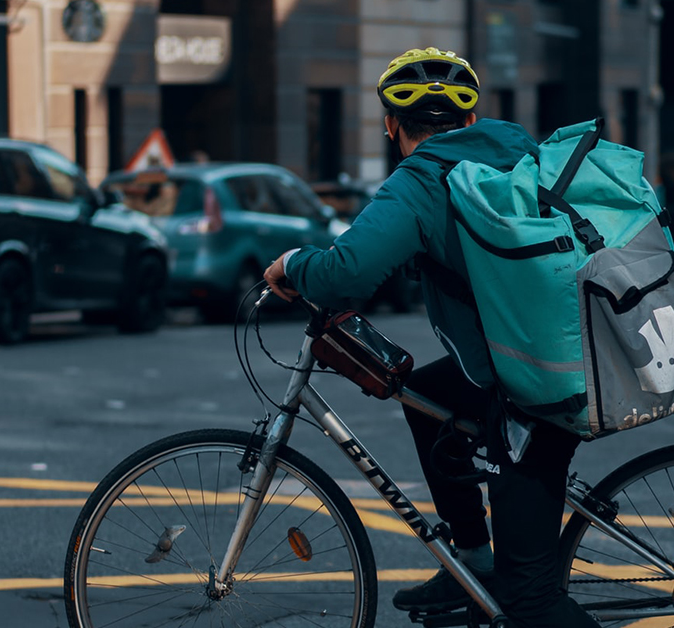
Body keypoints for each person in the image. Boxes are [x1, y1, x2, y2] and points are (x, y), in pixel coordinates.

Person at [264, 47, 599, 627]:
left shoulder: (420, 180)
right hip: (574, 352)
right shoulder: (518, 149)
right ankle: (471, 559)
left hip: (536, 388)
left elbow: (347, 274)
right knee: (427, 399)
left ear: (391, 125)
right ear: (470, 120)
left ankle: (504, 580)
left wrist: (292, 263)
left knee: (532, 604)